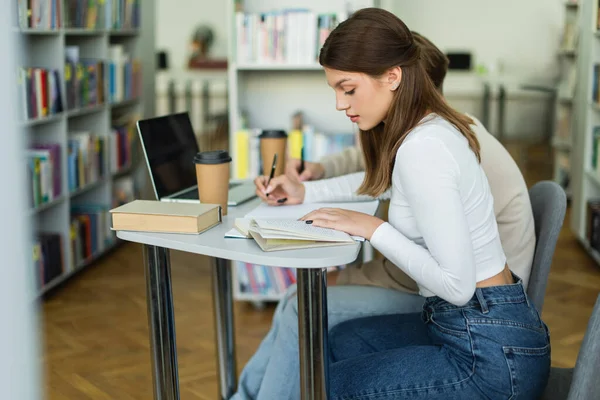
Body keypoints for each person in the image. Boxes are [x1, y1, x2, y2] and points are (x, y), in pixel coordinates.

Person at [233, 10, 548, 400]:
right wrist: (306, 193)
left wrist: (371, 229)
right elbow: (382, 185)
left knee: (321, 386)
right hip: (477, 325)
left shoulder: (424, 148)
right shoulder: (427, 129)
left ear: (393, 77)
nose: (338, 103)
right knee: (338, 343)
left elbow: (458, 286)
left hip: (488, 350)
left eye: (348, 89)